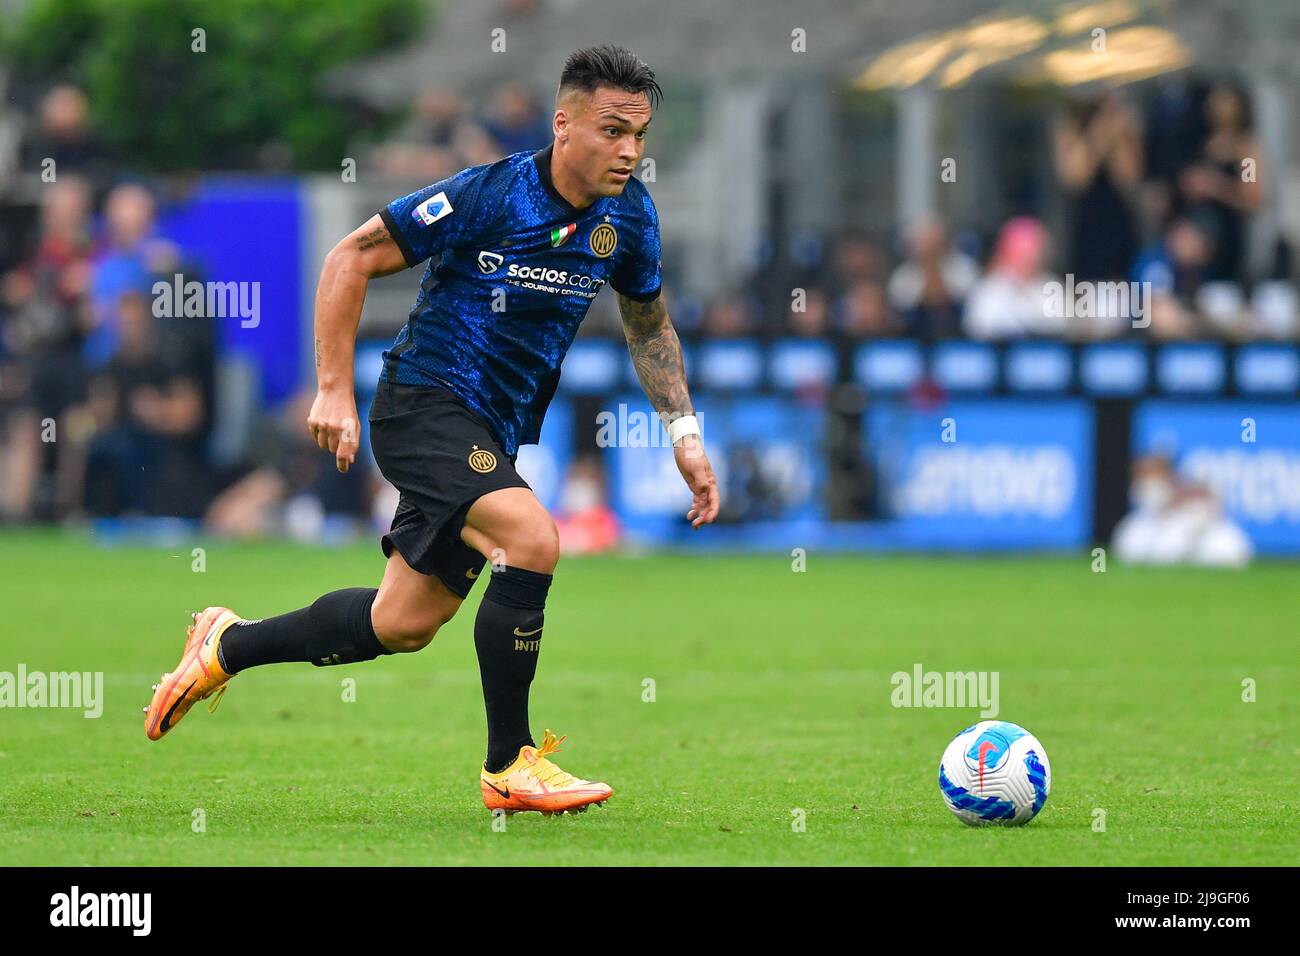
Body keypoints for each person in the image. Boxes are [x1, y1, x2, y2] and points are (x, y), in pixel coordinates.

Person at [144, 46, 721, 816]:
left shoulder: (629, 217)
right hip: (423, 405)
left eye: (640, 135)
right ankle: (509, 765)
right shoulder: (492, 193)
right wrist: (331, 390)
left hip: (491, 430)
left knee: (402, 623)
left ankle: (226, 645)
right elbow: (351, 257)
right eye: (614, 131)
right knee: (533, 538)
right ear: (565, 123)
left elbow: (648, 327)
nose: (629, 151)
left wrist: (683, 432)